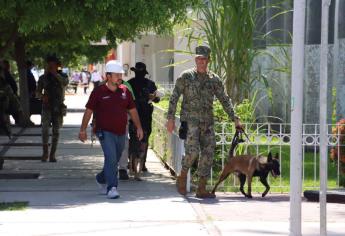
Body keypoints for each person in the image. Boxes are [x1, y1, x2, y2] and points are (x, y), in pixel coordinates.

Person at [166, 45, 242, 198]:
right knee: (192, 153)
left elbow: (224, 99)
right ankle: (182, 177)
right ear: (196, 59)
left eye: (204, 59)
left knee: (208, 153)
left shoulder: (214, 79)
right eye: (199, 58)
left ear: (208, 60)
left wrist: (235, 118)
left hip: (207, 123)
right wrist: (170, 118)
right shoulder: (186, 76)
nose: (201, 61)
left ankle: (201, 188)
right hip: (191, 122)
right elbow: (174, 97)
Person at [79, 60, 143, 199]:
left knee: (114, 160)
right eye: (117, 75)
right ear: (108, 76)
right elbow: (89, 111)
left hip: (121, 132)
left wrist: (139, 127)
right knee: (111, 158)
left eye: (121, 74)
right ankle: (112, 187)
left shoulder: (125, 91)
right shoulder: (99, 92)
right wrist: (83, 129)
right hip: (104, 131)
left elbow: (133, 111)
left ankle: (101, 178)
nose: (120, 77)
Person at [127, 62, 160, 173]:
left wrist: (152, 97)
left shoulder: (131, 83)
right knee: (141, 139)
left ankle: (136, 163)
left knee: (136, 138)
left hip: (141, 115)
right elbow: (157, 99)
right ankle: (138, 164)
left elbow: (157, 98)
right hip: (138, 114)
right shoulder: (131, 84)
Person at [36, 55, 69, 162]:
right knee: (45, 129)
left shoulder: (62, 76)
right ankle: (45, 152)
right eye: (49, 64)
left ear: (57, 65)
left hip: (58, 107)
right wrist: (42, 96)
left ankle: (52, 154)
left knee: (56, 131)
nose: (50, 66)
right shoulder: (43, 78)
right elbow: (37, 92)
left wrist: (55, 74)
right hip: (47, 107)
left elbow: (65, 83)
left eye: (53, 65)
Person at [0, 64, 23, 138]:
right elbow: (11, 94)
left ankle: (8, 132)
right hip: (3, 104)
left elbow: (11, 94)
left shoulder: (3, 82)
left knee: (3, 120)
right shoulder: (3, 81)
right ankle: (8, 132)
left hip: (3, 104)